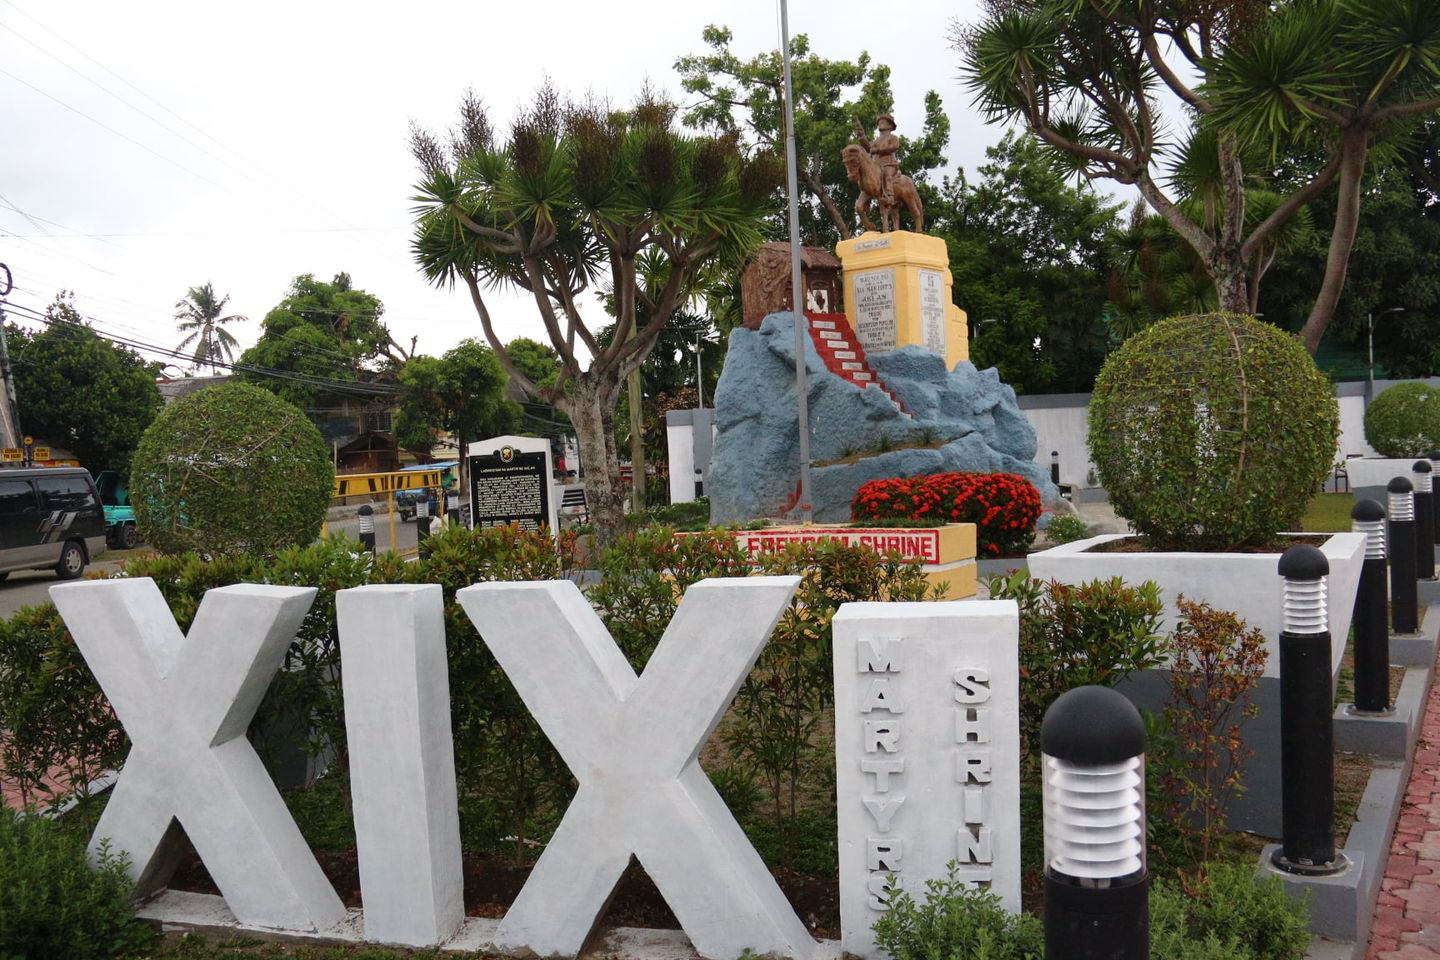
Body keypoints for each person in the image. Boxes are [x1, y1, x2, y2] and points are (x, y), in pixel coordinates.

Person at [852, 114, 900, 209]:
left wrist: (878, 150)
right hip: (876, 166)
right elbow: (868, 147)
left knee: (887, 175)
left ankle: (890, 196)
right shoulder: (876, 141)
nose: (880, 124)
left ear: (890, 126)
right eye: (879, 122)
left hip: (889, 164)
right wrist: (861, 136)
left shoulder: (893, 138)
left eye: (883, 122)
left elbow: (893, 147)